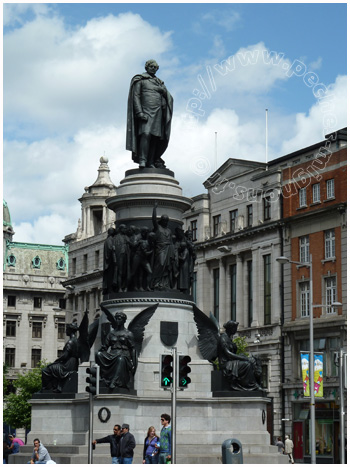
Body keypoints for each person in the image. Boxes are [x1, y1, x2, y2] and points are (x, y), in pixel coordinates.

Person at [126, 59, 173, 169]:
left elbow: (168, 96)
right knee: (145, 134)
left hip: (158, 112)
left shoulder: (159, 82)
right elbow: (136, 96)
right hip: (145, 111)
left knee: (155, 137)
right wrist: (139, 112)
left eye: (155, 67)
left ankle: (151, 161)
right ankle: (142, 159)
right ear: (146, 67)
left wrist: (163, 91)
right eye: (151, 66)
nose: (153, 68)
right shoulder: (140, 79)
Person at [95, 311, 136, 389]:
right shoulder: (111, 333)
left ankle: (114, 381)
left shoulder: (128, 334)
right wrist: (101, 350)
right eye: (116, 319)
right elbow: (105, 347)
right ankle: (103, 378)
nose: (117, 320)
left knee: (120, 359)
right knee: (98, 354)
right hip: (112, 354)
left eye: (119, 319)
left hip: (124, 355)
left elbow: (133, 349)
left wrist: (134, 363)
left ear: (124, 320)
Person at [218, 321, 262, 391]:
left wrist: (244, 357)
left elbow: (234, 353)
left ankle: (255, 384)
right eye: (235, 328)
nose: (236, 330)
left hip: (231, 362)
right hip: (226, 364)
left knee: (252, 361)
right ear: (230, 328)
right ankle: (252, 385)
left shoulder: (229, 338)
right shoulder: (223, 338)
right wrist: (244, 358)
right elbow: (228, 353)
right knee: (246, 364)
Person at [41, 323, 79, 392]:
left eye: (67, 329)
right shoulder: (76, 341)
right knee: (52, 368)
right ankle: (55, 387)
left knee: (45, 370)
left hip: (67, 366)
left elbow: (65, 356)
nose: (65, 331)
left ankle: (48, 389)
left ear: (70, 330)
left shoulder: (70, 342)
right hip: (73, 364)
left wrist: (55, 362)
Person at [151, 203, 175, 290]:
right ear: (161, 220)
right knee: (160, 264)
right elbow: (153, 219)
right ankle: (155, 282)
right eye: (164, 220)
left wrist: (173, 252)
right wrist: (154, 209)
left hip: (168, 249)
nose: (166, 222)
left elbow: (171, 242)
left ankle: (164, 284)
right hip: (160, 249)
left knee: (167, 267)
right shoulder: (158, 227)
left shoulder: (168, 230)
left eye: (167, 221)